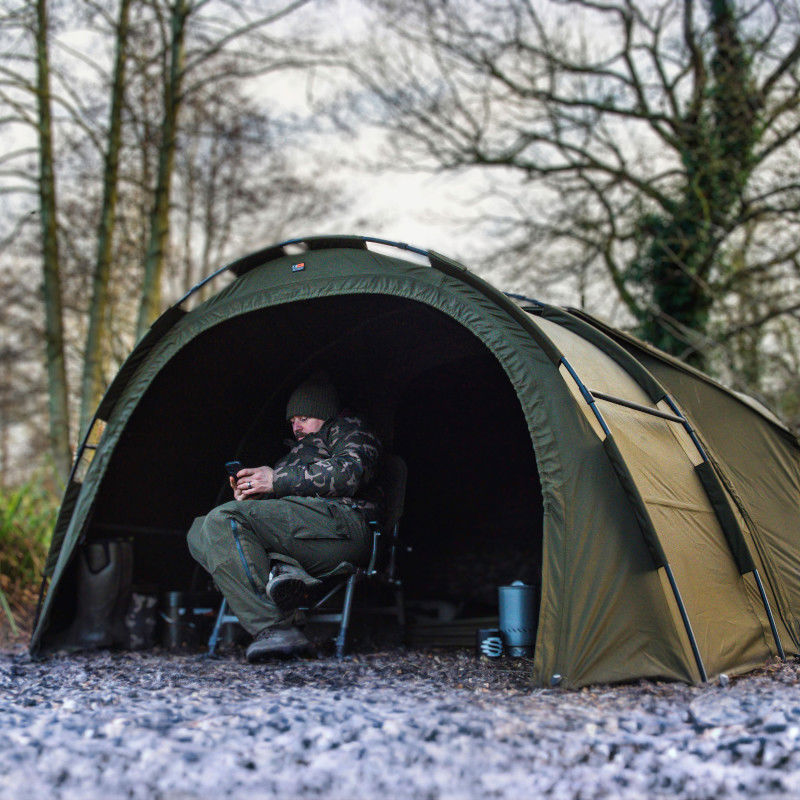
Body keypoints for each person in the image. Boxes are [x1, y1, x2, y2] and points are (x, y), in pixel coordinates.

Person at [187, 371, 382, 661]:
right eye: (292, 421)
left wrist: (275, 480)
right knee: (200, 529)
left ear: (325, 414)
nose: (297, 426)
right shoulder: (293, 454)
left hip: (342, 525)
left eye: (304, 418)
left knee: (223, 519)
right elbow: (284, 504)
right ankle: (287, 573)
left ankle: (275, 626)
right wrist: (255, 493)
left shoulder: (349, 430)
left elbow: (349, 473)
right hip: (303, 531)